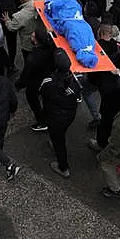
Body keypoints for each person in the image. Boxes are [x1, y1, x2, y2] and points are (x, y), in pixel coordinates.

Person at [40, 49, 81, 178]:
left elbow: (41, 92)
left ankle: (63, 167)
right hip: (69, 115)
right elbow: (78, 97)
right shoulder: (75, 81)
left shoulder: (49, 82)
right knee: (60, 134)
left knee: (59, 142)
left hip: (54, 116)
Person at [15, 24, 56, 131]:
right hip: (49, 78)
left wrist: (18, 84)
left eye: (33, 37)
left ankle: (42, 122)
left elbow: (25, 76)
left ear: (37, 41)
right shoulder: (52, 47)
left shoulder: (32, 58)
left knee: (33, 100)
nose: (31, 37)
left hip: (35, 83)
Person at [1, 0, 39, 64]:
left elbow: (11, 28)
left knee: (28, 61)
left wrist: (7, 21)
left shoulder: (20, 16)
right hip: (40, 41)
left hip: (28, 45)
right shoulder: (41, 4)